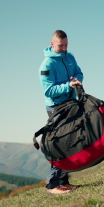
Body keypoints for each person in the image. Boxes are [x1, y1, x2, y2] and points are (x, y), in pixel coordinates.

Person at [38, 30, 83, 194]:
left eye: (66, 45)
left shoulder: (69, 57)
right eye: (60, 45)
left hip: (71, 103)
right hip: (56, 107)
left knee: (70, 142)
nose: (64, 48)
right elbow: (48, 91)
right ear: (52, 44)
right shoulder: (46, 66)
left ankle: (63, 181)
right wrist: (67, 86)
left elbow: (79, 72)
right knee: (60, 144)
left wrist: (77, 80)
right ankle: (52, 185)